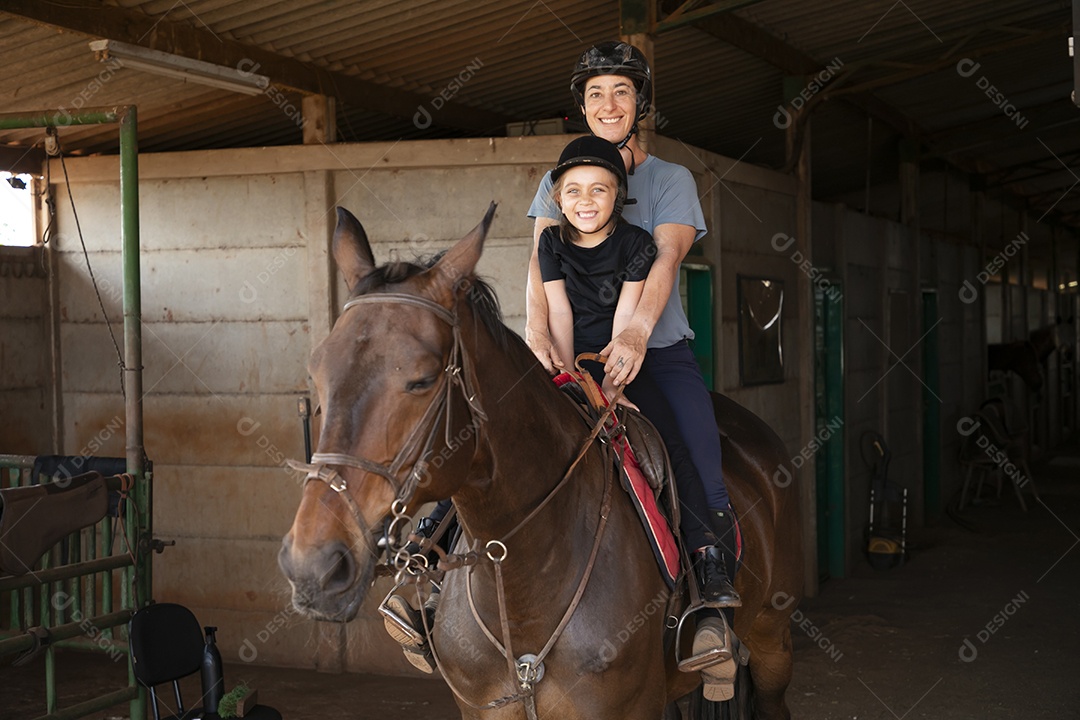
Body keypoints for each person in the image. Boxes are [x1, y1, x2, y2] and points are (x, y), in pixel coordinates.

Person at [525, 42, 740, 698]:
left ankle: (710, 593)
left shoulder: (670, 179)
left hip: (654, 349)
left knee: (698, 457)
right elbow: (541, 266)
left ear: (640, 103)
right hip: (573, 349)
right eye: (595, 94)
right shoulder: (557, 176)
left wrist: (639, 335)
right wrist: (537, 336)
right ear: (581, 106)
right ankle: (432, 558)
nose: (607, 105)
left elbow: (666, 260)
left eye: (620, 92)